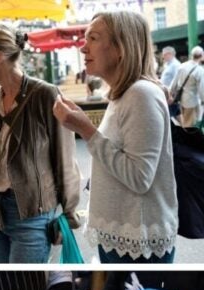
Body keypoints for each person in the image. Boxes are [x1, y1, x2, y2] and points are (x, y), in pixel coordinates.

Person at [0, 24, 81, 264]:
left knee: (23, 287)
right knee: (2, 286)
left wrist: (69, 213)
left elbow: (65, 159)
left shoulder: (45, 95)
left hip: (30, 213)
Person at [53, 11, 177, 263]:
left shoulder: (140, 94)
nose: (83, 47)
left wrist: (86, 130)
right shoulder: (123, 95)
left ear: (121, 48)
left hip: (138, 243)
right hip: (120, 235)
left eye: (94, 38)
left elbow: (139, 177)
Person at [169, 46, 204, 128]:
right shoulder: (200, 70)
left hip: (180, 99)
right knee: (189, 125)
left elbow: (174, 83)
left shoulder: (182, 66)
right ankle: (187, 140)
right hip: (192, 101)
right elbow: (202, 89)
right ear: (201, 55)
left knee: (184, 121)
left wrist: (171, 94)